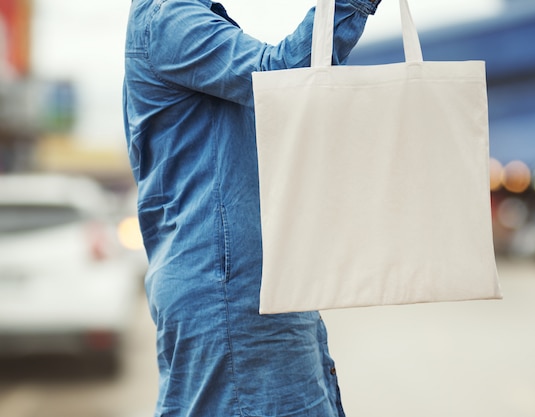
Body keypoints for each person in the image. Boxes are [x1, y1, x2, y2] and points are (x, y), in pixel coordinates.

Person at [123, 0, 381, 415]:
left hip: (237, 287)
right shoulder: (170, 18)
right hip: (231, 292)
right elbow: (282, 79)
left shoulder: (181, 20)